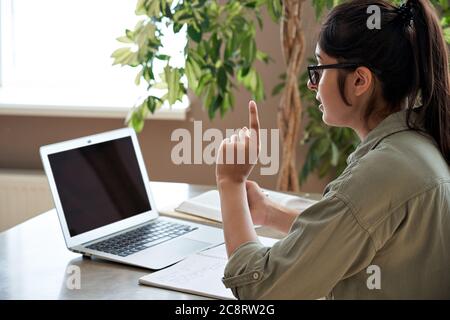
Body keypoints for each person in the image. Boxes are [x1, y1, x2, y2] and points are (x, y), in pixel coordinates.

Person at [215, 0, 450, 299]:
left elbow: (261, 291)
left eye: (319, 68)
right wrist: (271, 214)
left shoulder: (382, 173)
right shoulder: (419, 147)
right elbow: (359, 233)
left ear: (359, 80)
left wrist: (230, 182)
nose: (312, 85)